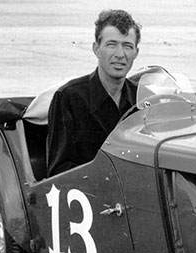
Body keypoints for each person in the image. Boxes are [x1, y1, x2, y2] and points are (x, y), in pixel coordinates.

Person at [46, 10, 141, 177]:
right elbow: (58, 169)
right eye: (111, 44)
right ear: (96, 49)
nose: (120, 54)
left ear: (136, 53)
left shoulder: (142, 98)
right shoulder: (69, 97)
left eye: (127, 46)